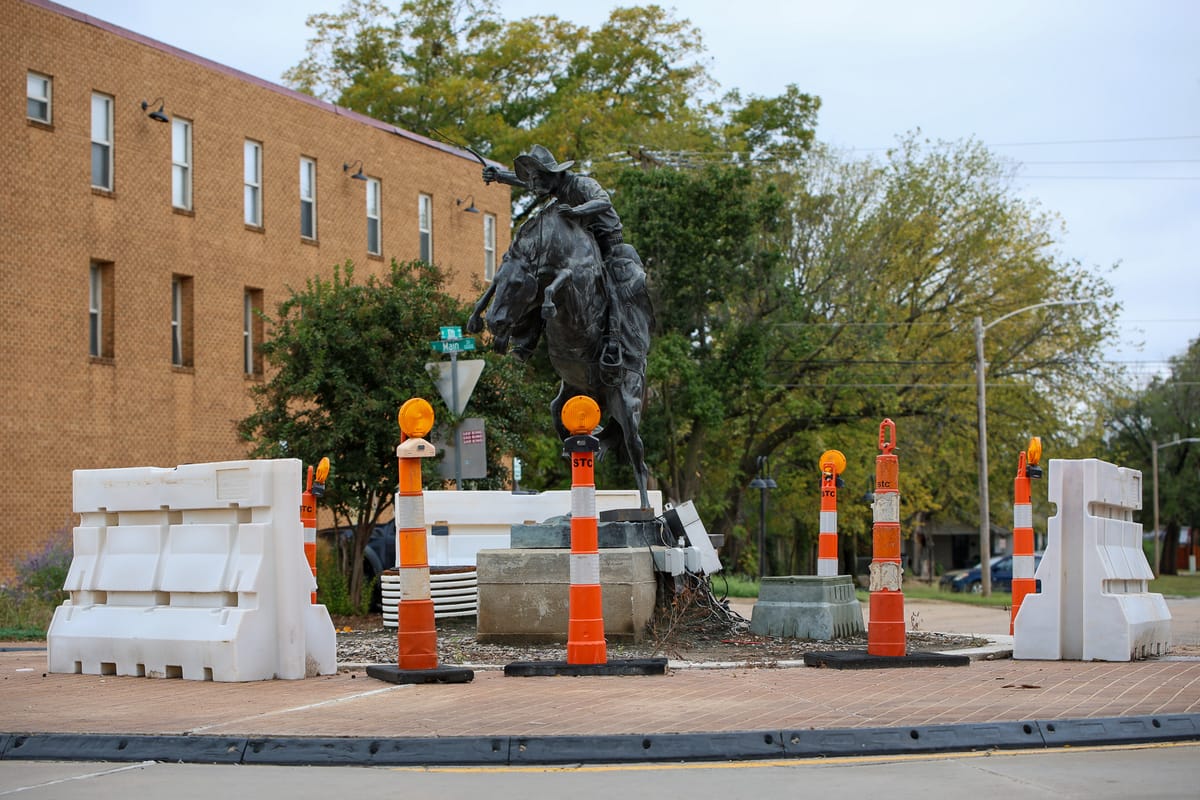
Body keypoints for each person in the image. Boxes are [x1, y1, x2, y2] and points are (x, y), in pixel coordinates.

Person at [484, 145, 647, 382]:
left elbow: (604, 201)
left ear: (554, 174)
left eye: (539, 177)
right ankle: (525, 340)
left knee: (615, 284)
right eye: (533, 178)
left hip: (606, 243)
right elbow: (526, 184)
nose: (534, 183)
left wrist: (577, 210)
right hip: (579, 246)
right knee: (538, 281)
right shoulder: (550, 186)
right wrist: (499, 176)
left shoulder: (581, 184)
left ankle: (616, 340)